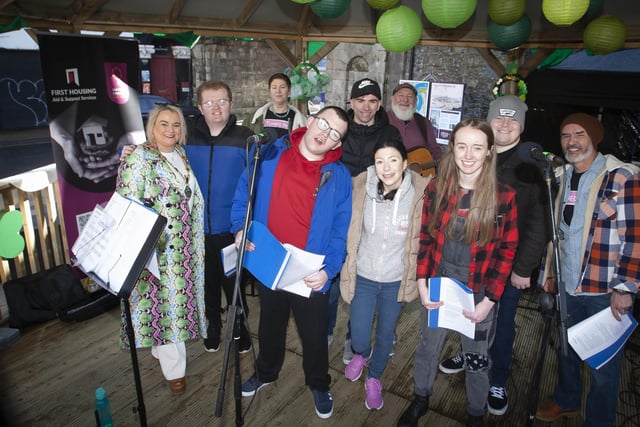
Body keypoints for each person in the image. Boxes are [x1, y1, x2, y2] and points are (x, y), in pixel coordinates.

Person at [231, 106, 352, 419]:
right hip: (270, 260)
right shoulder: (270, 154)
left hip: (311, 271)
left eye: (334, 132)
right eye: (323, 123)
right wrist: (240, 226)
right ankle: (267, 372)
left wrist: (330, 270)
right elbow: (244, 189)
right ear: (310, 121)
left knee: (313, 335)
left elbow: (341, 228)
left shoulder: (340, 177)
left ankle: (318, 383)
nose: (324, 133)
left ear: (337, 143)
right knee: (269, 325)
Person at [398, 118, 519, 427]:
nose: (468, 155)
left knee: (477, 358)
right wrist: (422, 283)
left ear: (490, 151)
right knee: (428, 347)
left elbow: (507, 252)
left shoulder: (504, 197)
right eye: (462, 146)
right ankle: (421, 396)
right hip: (439, 282)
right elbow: (424, 238)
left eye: (477, 147)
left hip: (479, 289)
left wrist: (489, 302)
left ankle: (476, 412)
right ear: (451, 148)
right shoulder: (438, 187)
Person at [438, 95, 548, 416]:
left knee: (502, 324)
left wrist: (524, 267)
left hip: (507, 265)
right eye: (499, 117)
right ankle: (469, 353)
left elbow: (538, 224)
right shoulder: (477, 156)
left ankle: (498, 378)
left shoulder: (530, 165)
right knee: (468, 314)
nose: (504, 123)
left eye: (512, 119)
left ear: (521, 126)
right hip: (468, 260)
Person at [534, 113, 639, 427]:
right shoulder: (564, 175)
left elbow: (635, 237)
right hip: (568, 284)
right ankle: (567, 400)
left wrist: (625, 289)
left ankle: (599, 420)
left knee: (603, 364)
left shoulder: (621, 177)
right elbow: (561, 231)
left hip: (603, 289)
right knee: (567, 350)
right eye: (566, 135)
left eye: (579, 134)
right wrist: (550, 273)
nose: (571, 141)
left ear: (594, 137)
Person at [116, 104, 206, 396]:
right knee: (170, 310)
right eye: (164, 124)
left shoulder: (180, 154)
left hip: (186, 248)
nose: (170, 130)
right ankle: (174, 371)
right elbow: (125, 202)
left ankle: (161, 350)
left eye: (176, 125)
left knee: (170, 304)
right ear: (152, 127)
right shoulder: (139, 157)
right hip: (159, 249)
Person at [340, 139, 430, 411]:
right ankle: (361, 354)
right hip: (364, 276)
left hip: (396, 280)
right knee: (358, 333)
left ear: (404, 164)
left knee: (385, 333)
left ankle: (375, 377)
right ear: (373, 165)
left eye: (393, 160)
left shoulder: (420, 195)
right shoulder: (360, 189)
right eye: (380, 161)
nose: (386, 167)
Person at [330, 77, 402, 364]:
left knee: (360, 274)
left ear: (380, 104)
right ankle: (325, 328)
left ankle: (352, 336)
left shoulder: (390, 132)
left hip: (372, 213)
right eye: (360, 101)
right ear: (351, 102)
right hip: (338, 209)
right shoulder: (341, 128)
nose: (366, 107)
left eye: (372, 101)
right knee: (335, 269)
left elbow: (397, 171)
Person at [187, 80, 255, 353]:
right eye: (209, 103)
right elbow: (158, 152)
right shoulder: (187, 138)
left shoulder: (245, 138)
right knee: (207, 285)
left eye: (222, 102)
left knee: (234, 284)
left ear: (231, 104)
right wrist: (129, 151)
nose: (216, 108)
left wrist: (246, 226)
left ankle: (240, 328)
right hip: (198, 230)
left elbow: (256, 183)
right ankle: (212, 326)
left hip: (232, 229)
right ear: (200, 107)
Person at [387, 82, 443, 162]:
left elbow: (435, 150)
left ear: (416, 101)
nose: (405, 100)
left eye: (410, 96)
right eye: (401, 95)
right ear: (392, 98)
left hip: (421, 174)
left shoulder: (423, 123)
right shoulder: (382, 120)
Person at [242, 72, 307, 138]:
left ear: (289, 91)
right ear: (269, 91)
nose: (278, 91)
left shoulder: (300, 120)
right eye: (274, 87)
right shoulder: (255, 118)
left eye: (282, 87)